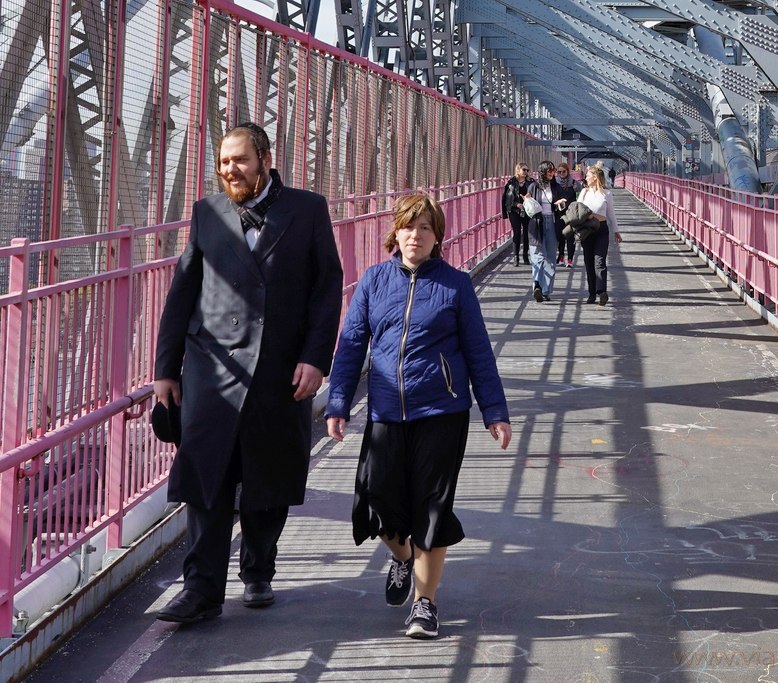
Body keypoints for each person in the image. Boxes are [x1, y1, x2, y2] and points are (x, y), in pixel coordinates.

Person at [152, 122, 343, 624]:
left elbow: (327, 289)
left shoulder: (307, 209)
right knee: (205, 479)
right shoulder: (207, 213)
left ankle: (258, 568)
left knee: (268, 475)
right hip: (211, 370)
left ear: (263, 157)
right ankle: (201, 591)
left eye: (238, 160)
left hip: (279, 368)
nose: (228, 170)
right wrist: (165, 370)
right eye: (222, 163)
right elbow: (182, 292)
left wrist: (315, 358)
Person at [325, 193, 512, 640]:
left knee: (431, 507)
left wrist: (495, 411)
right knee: (376, 500)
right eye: (409, 226)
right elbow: (351, 345)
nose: (416, 235)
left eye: (426, 227)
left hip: (442, 411)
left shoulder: (455, 285)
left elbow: (479, 352)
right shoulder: (373, 282)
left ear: (438, 236)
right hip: (387, 410)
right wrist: (338, 402)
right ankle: (403, 556)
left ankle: (424, 604)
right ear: (395, 232)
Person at [577, 162, 624, 306]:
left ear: (595, 177)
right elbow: (577, 211)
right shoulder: (584, 193)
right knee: (589, 262)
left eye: (588, 175)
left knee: (600, 261)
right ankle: (591, 293)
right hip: (587, 230)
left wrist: (616, 231)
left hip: (602, 230)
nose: (585, 177)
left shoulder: (607, 194)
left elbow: (611, 214)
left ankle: (601, 292)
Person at [526, 160, 561, 302]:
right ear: (543, 172)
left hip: (552, 222)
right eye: (549, 171)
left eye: (553, 171)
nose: (552, 173)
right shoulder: (533, 187)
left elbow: (561, 206)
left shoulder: (556, 187)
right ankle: (537, 286)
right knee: (537, 255)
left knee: (551, 257)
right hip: (536, 223)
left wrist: (560, 204)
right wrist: (527, 201)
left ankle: (546, 290)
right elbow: (527, 208)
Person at [501, 162, 534, 266]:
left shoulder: (531, 182)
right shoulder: (511, 182)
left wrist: (530, 197)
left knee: (526, 233)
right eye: (524, 170)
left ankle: (525, 255)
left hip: (527, 210)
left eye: (527, 170)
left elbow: (537, 194)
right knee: (516, 233)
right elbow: (506, 199)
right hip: (514, 211)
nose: (526, 172)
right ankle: (516, 257)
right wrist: (516, 204)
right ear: (518, 170)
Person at [553, 162, 581, 267]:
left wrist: (576, 192)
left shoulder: (574, 183)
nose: (561, 173)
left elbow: (581, 196)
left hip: (571, 214)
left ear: (567, 172)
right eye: (559, 172)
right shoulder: (554, 183)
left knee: (570, 237)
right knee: (559, 236)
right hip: (559, 213)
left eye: (563, 171)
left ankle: (569, 259)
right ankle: (560, 256)